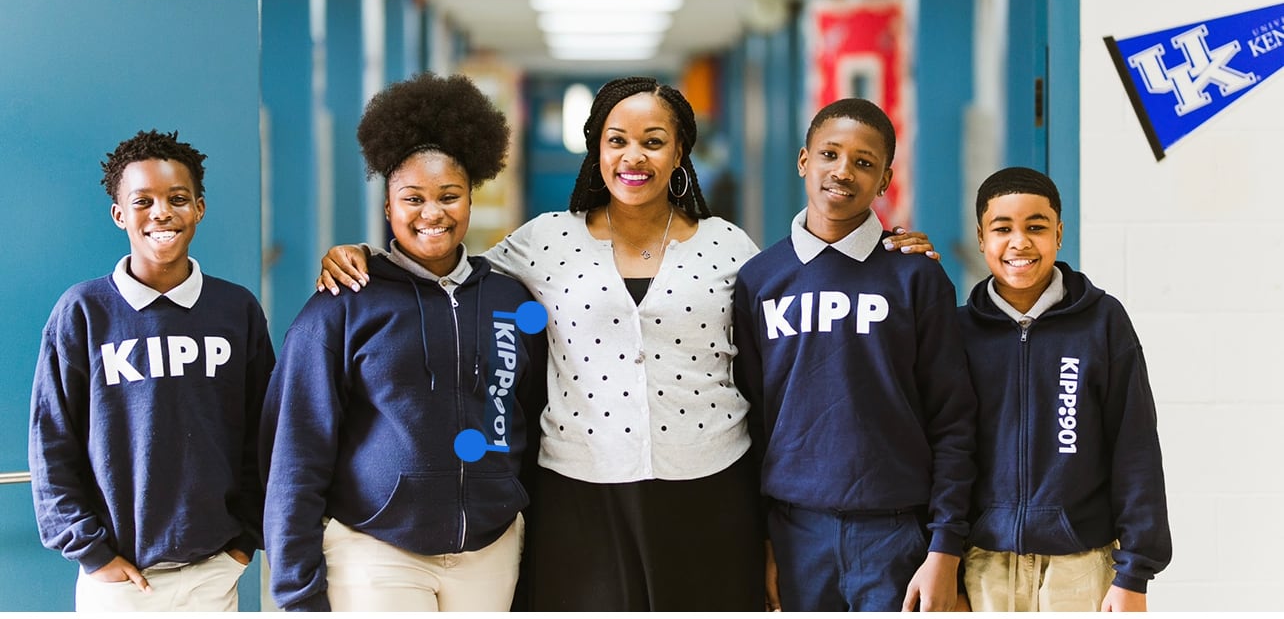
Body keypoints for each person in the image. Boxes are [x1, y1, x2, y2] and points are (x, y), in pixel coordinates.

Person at [317, 77, 938, 610]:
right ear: (597, 150)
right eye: (617, 140)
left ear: (679, 154)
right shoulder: (546, 241)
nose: (633, 156)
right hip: (578, 493)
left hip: (712, 486)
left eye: (653, 141)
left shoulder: (728, 245)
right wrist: (367, 258)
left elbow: (774, 356)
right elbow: (450, 275)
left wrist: (887, 256)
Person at [259, 73, 547, 612]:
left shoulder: (512, 299)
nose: (431, 212)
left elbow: (532, 421)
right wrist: (296, 589)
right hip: (377, 549)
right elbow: (297, 448)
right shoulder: (345, 301)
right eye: (412, 198)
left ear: (470, 197)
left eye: (449, 196)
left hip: (491, 549)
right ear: (389, 205)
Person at [732, 97, 977, 613]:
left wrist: (945, 546)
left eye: (864, 163)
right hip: (796, 532)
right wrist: (763, 539)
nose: (843, 171)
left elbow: (953, 418)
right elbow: (751, 417)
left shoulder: (915, 275)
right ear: (804, 161)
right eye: (830, 154)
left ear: (885, 179)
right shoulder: (759, 279)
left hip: (896, 534)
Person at [29, 129, 275, 612]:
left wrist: (245, 539)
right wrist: (91, 554)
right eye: (143, 201)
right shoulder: (83, 311)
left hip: (214, 571)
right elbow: (51, 441)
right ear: (119, 214)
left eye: (177, 198)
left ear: (199, 209)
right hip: (117, 578)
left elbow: (264, 431)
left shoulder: (235, 309)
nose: (162, 212)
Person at [956, 166, 1171, 612]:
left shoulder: (1103, 321)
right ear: (980, 237)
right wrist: (945, 563)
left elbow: (1135, 448)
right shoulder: (957, 331)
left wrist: (1134, 572)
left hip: (1084, 563)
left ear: (1059, 233)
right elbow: (942, 454)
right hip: (982, 563)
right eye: (1002, 229)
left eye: (1036, 227)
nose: (1019, 242)